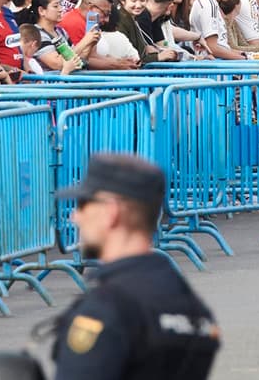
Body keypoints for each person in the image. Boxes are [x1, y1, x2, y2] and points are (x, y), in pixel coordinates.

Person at [44, 153, 219, 380]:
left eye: (84, 204)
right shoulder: (193, 308)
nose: (75, 217)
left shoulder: (105, 309)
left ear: (111, 212)